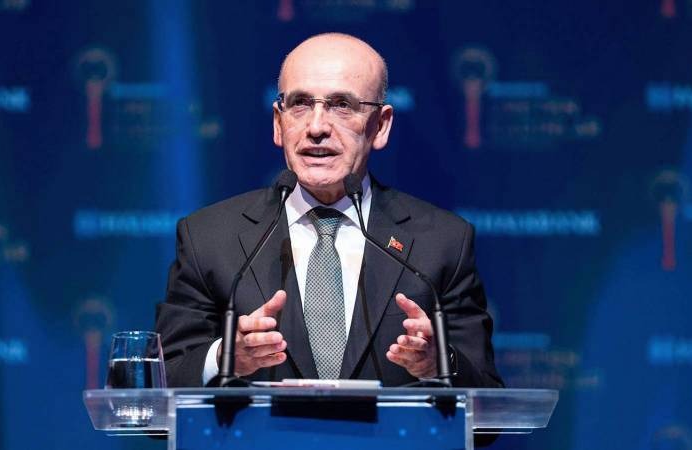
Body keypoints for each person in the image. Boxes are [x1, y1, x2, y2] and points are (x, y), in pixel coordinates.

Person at [155, 33, 502, 388]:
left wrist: (439, 363)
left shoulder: (442, 243)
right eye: (300, 104)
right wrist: (225, 357)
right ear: (278, 123)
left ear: (380, 126)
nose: (317, 127)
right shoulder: (208, 239)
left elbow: (487, 398)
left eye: (341, 105)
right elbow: (164, 382)